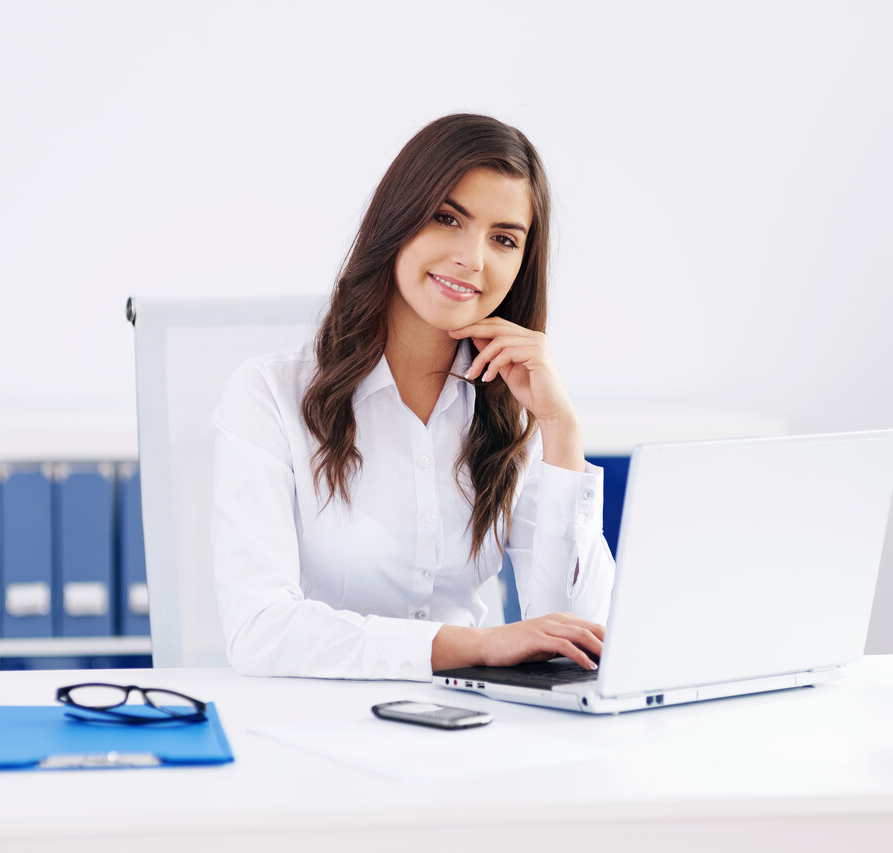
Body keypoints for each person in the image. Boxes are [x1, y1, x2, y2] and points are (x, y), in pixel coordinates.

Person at [211, 114, 614, 681]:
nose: (472, 259)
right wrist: (470, 645)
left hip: (475, 730)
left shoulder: (508, 409)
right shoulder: (269, 396)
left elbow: (577, 634)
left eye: (503, 239)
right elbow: (260, 631)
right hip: (317, 728)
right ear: (397, 221)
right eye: (448, 218)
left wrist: (560, 431)